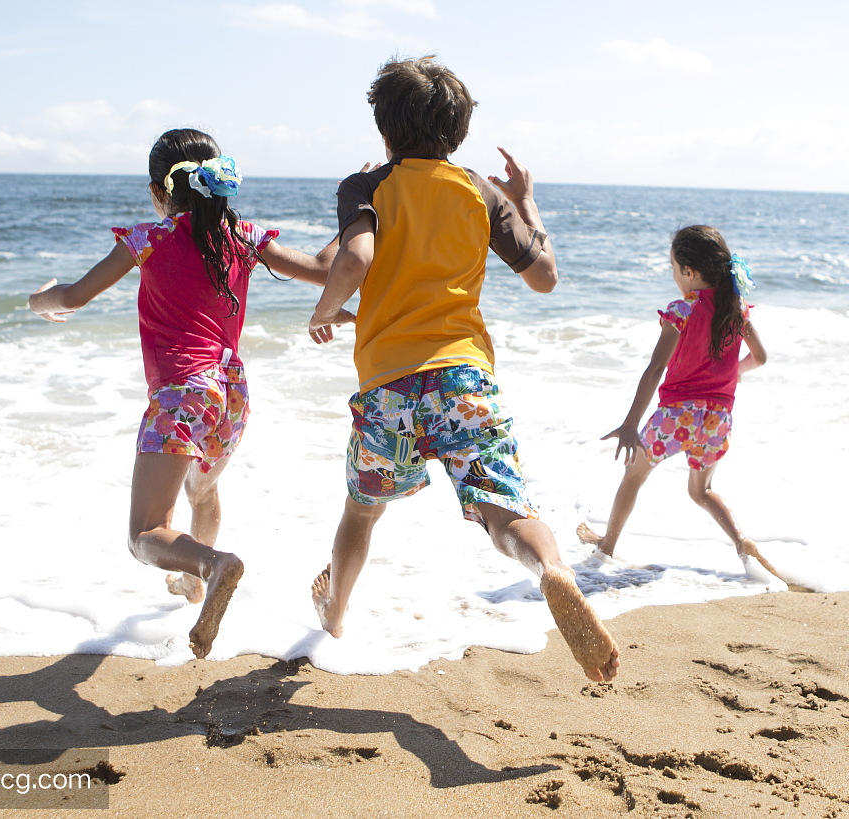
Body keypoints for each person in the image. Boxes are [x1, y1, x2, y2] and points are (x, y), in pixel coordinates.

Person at [307, 55, 620, 683]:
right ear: (459, 129)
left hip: (389, 386)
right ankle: (551, 571)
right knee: (504, 509)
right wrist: (526, 202)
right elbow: (544, 277)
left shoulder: (367, 186)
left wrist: (326, 309)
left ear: (384, 128)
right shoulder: (481, 191)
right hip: (464, 379)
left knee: (362, 510)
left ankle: (334, 613)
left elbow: (355, 256)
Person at [29, 128, 338, 660]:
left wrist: (39, 301)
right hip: (231, 394)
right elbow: (324, 270)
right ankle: (196, 585)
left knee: (144, 534)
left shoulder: (148, 239)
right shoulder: (243, 236)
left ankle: (212, 565)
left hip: (182, 395)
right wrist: (355, 214)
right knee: (202, 490)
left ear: (159, 191)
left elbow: (74, 296)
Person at [577, 225, 769, 568]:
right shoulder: (737, 309)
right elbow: (760, 357)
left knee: (633, 477)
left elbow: (655, 369)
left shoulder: (683, 309)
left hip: (676, 416)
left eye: (673, 269)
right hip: (718, 419)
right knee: (701, 492)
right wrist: (734, 372)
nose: (674, 276)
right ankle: (742, 543)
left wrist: (631, 423)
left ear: (689, 272)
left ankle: (606, 546)